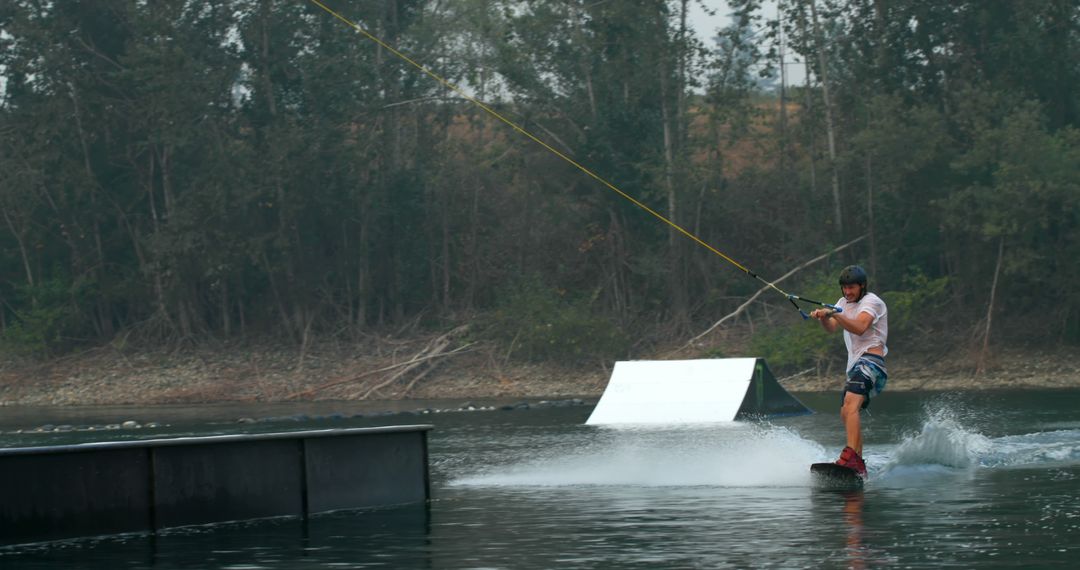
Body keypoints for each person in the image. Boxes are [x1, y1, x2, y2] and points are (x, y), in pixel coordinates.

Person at [809, 265, 888, 478]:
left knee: (851, 403)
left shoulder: (872, 302)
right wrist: (825, 317)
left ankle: (851, 457)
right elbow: (832, 328)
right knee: (846, 410)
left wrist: (833, 313)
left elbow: (860, 327)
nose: (847, 292)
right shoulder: (842, 303)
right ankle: (858, 463)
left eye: (851, 288)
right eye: (844, 288)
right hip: (855, 366)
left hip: (872, 361)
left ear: (862, 286)